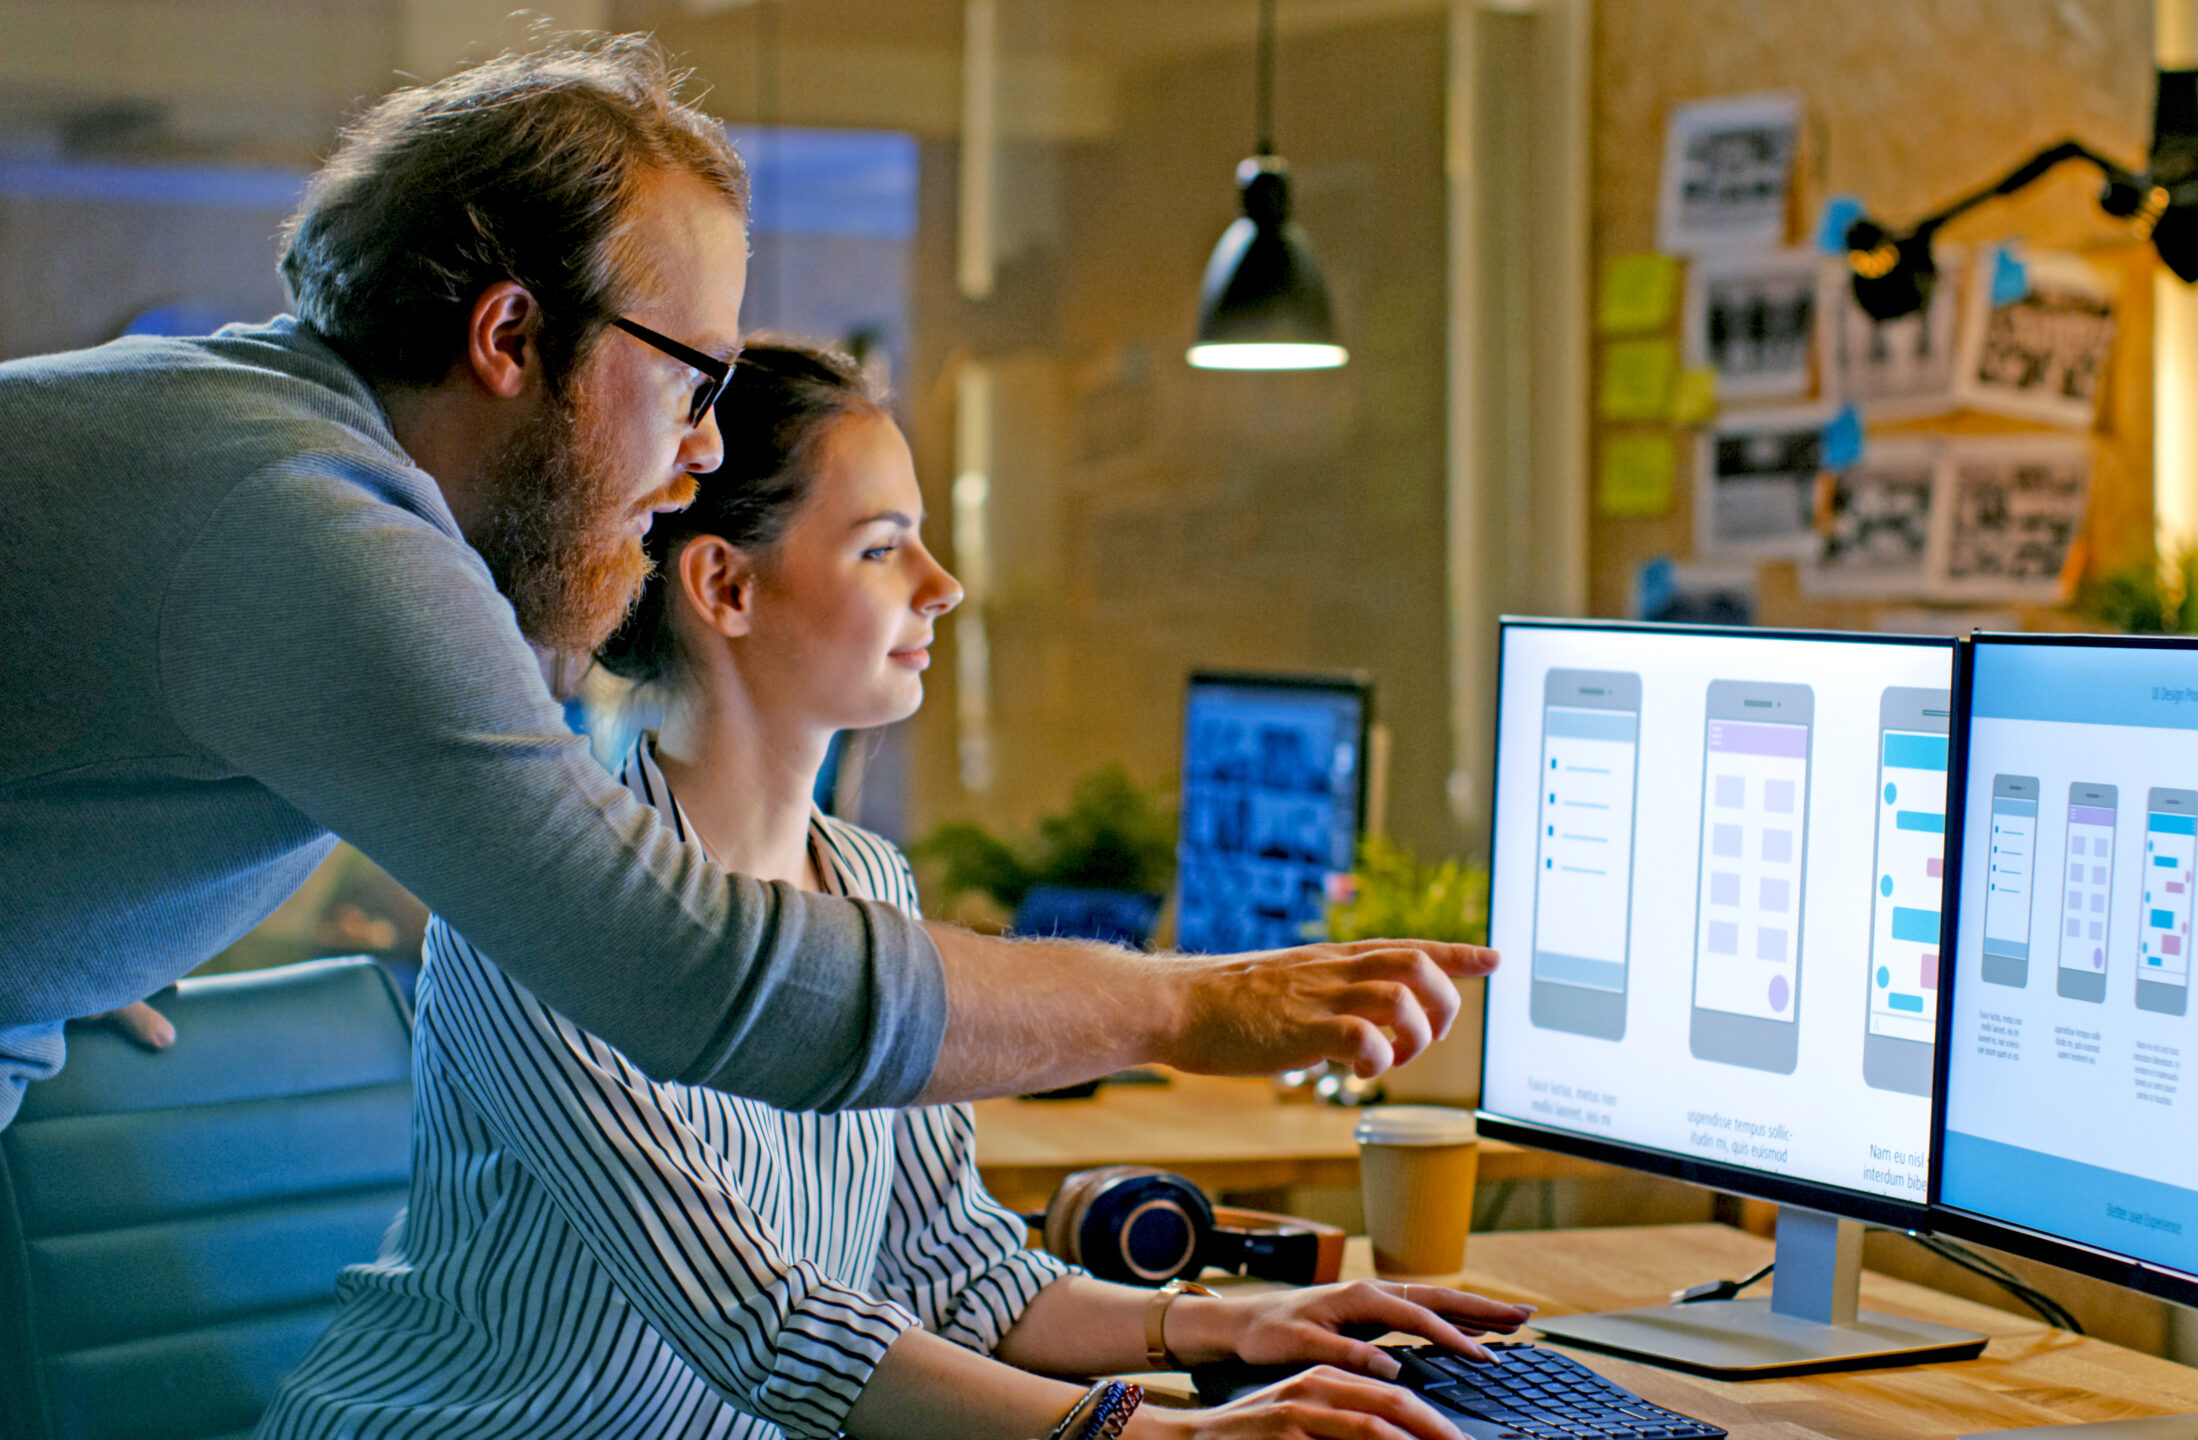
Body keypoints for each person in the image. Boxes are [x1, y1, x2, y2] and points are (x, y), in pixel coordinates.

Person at [0, 34, 1494, 1131]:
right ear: (511, 339)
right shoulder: (314, 529)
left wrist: (75, 929)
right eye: (691, 377)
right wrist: (1193, 1002)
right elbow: (694, 975)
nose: (703, 448)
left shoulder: (257, 454)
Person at [259, 340, 1527, 1440]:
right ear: (725, 587)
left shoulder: (868, 884)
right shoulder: (540, 914)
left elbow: (953, 1272)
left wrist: (1236, 1326)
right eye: (881, 548)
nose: (943, 584)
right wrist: (1172, 1434)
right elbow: (765, 1324)